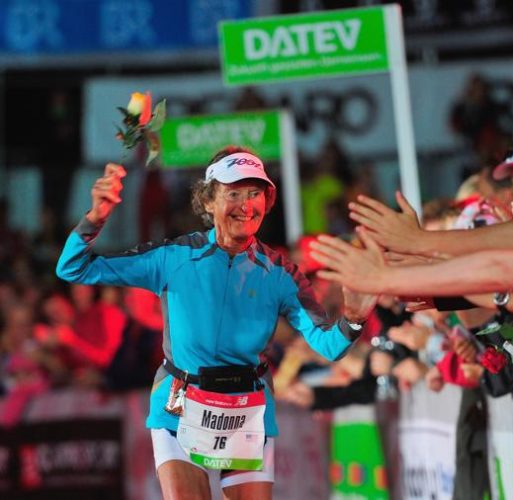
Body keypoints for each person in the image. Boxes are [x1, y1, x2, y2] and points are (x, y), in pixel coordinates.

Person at [56, 146, 376, 499]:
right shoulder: (173, 257)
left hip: (247, 407)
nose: (246, 205)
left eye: (255, 193)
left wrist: (354, 319)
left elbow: (328, 346)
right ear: (208, 201)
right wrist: (96, 217)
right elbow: (73, 268)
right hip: (180, 404)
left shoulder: (281, 273)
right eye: (233, 193)